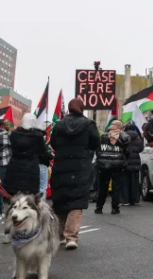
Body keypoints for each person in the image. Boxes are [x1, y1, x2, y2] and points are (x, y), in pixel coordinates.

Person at [50, 99, 99, 250]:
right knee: (77, 201)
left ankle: (60, 235)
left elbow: (53, 143)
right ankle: (72, 236)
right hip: (80, 166)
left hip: (61, 166)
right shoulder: (88, 124)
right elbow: (95, 142)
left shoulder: (59, 125)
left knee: (61, 200)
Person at [95, 120, 129, 215]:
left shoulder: (102, 136)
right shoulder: (124, 137)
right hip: (117, 165)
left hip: (103, 165)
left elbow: (97, 149)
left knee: (102, 187)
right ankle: (115, 208)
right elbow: (128, 151)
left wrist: (101, 158)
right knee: (116, 188)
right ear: (119, 127)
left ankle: (99, 207)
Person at [121, 124, 144, 206]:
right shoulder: (138, 138)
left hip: (126, 161)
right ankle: (134, 199)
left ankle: (126, 199)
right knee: (134, 181)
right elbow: (141, 149)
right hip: (136, 162)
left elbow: (121, 148)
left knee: (125, 181)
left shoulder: (123, 137)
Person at [39, 128, 54, 199]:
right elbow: (45, 154)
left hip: (31, 165)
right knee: (42, 187)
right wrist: (51, 156)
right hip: (42, 165)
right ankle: (41, 206)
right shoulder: (40, 142)